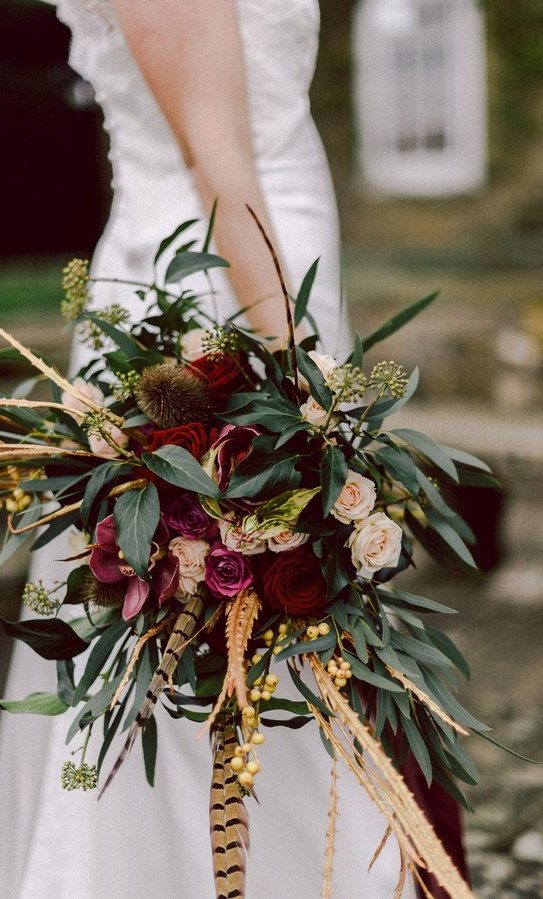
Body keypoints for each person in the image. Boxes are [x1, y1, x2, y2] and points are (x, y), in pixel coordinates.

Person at [0, 2, 426, 897]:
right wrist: (304, 389)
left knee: (270, 622)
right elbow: (213, 157)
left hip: (263, 260)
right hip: (219, 292)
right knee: (196, 613)